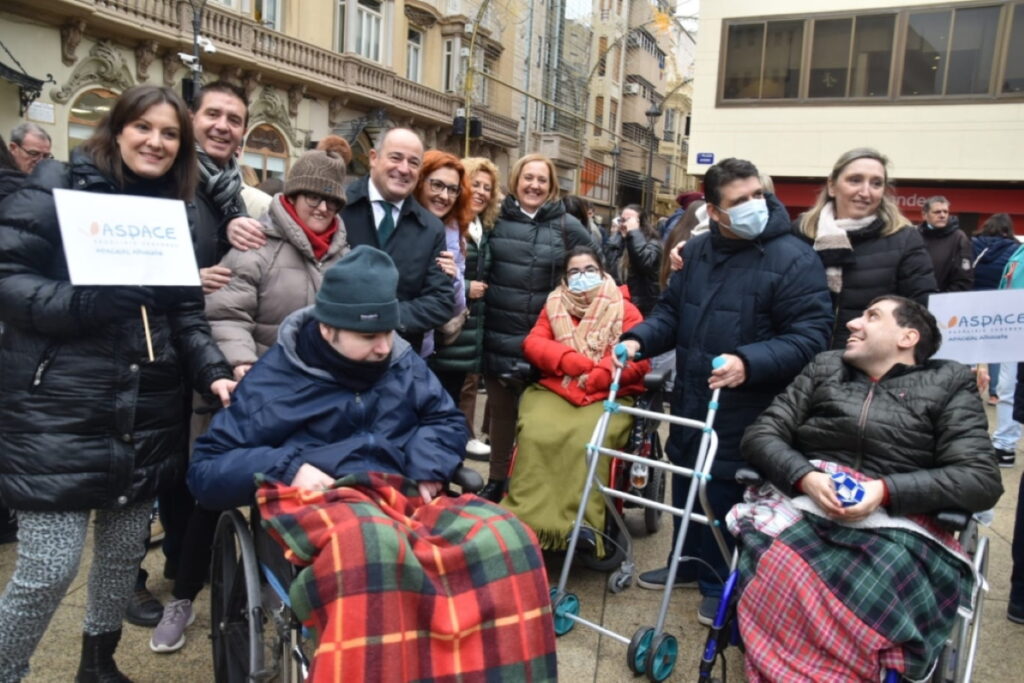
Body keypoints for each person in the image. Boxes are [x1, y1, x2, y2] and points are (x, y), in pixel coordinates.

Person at [188, 247, 557, 680]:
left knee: (507, 535)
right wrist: (286, 466)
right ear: (327, 329)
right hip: (324, 500)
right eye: (368, 338)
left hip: (402, 494)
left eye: (388, 331)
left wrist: (428, 464)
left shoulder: (401, 362)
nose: (385, 347)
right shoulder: (275, 380)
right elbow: (206, 469)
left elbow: (444, 418)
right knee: (372, 551)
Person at [0, 83, 235, 683]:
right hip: (60, 407)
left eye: (169, 133)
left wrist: (214, 372)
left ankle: (98, 665)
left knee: (121, 553)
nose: (155, 142)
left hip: (147, 407)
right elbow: (9, 279)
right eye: (144, 128)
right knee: (48, 568)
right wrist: (87, 302)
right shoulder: (56, 182)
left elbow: (183, 311)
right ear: (118, 128)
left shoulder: (173, 209)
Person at [735, 296, 1003, 681]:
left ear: (908, 336)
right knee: (781, 559)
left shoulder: (948, 382)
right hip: (807, 502)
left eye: (872, 316)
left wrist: (885, 490)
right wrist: (805, 477)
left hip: (894, 520)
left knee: (884, 575)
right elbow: (762, 434)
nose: (853, 324)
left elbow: (980, 477)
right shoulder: (825, 367)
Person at [616, 157, 832, 624]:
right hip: (696, 395)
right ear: (714, 212)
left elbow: (812, 335)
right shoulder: (696, 254)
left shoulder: (794, 257)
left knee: (726, 493)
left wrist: (748, 362)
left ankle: (724, 584)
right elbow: (672, 314)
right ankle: (689, 563)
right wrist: (638, 340)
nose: (755, 206)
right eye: (739, 201)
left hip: (751, 404)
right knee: (687, 482)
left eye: (758, 195)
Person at [504, 246, 650, 553]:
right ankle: (524, 518)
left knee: (589, 440)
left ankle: (585, 524)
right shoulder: (555, 304)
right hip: (558, 387)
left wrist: (601, 374)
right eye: (574, 272)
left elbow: (640, 358)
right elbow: (534, 342)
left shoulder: (625, 308)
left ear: (602, 271)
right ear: (565, 277)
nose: (582, 277)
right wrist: (569, 359)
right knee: (536, 432)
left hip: (608, 392)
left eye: (589, 270)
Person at [481, 153, 595, 502]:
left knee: (539, 421)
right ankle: (498, 478)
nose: (534, 185)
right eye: (527, 178)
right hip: (499, 337)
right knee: (502, 417)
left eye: (541, 180)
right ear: (515, 181)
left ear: (552, 186)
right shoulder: (493, 221)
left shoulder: (568, 226)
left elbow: (593, 279)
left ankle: (530, 487)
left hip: (549, 344)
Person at [797, 148, 937, 350]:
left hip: (870, 367)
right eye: (855, 180)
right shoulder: (801, 233)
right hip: (803, 361)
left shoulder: (905, 239)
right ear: (832, 186)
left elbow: (921, 314)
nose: (865, 192)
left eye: (876, 183)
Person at [339, 128, 453, 355]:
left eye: (413, 163)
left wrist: (383, 316)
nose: (403, 169)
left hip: (398, 358)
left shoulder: (431, 229)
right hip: (336, 349)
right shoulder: (338, 206)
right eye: (396, 158)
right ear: (373, 158)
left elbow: (440, 301)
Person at [446, 157, 499, 460]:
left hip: (473, 321)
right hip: (452, 320)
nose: (480, 192)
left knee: (467, 383)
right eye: (474, 184)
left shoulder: (483, 226)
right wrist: (466, 288)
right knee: (452, 386)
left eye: (486, 188)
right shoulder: (450, 222)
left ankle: (464, 435)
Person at [414, 150, 470, 364]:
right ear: (420, 182)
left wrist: (454, 278)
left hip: (425, 348)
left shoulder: (455, 232)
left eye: (452, 189)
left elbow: (455, 308)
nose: (444, 196)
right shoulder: (399, 221)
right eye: (437, 185)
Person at [603, 204, 663, 316]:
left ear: (641, 223)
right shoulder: (615, 241)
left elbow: (645, 264)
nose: (624, 224)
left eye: (629, 220)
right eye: (622, 220)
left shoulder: (653, 243)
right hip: (618, 302)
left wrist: (634, 233)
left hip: (641, 306)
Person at [918, 195, 973, 292]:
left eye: (945, 212)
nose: (942, 215)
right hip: (914, 299)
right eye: (937, 212)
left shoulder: (959, 237)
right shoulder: (914, 235)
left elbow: (964, 278)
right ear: (924, 215)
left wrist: (944, 299)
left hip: (943, 300)